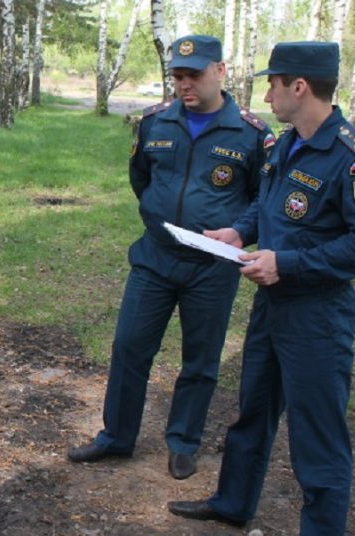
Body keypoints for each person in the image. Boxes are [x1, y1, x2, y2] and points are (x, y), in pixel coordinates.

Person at [167, 42, 355, 536]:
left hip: (318, 316)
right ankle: (233, 501)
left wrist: (285, 262)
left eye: (273, 83)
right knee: (253, 410)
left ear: (300, 87)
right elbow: (266, 205)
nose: (265, 92)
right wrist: (239, 233)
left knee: (317, 435)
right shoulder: (286, 144)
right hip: (272, 306)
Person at [68, 35, 274, 479]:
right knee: (129, 348)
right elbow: (141, 178)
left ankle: (183, 442)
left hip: (212, 266)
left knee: (200, 359)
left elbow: (265, 196)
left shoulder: (252, 133)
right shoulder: (155, 123)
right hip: (155, 259)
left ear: (219, 71)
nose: (184, 84)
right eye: (177, 76)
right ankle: (117, 437)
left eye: (194, 75)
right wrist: (162, 217)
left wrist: (240, 231)